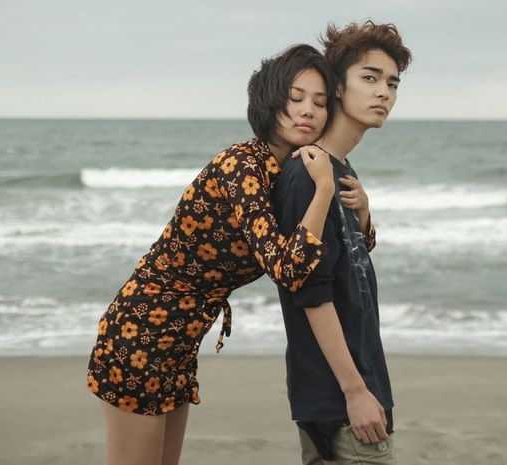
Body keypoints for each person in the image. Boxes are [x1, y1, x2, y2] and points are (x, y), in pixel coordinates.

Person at [86, 44, 338, 465]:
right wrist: (326, 189)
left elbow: (327, 253)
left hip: (178, 343)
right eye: (295, 99)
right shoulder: (243, 165)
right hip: (141, 334)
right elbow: (289, 269)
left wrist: (362, 215)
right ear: (270, 101)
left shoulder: (287, 174)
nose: (307, 111)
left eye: (319, 102)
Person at [272, 21, 412, 464]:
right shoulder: (307, 173)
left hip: (358, 390)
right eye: (369, 78)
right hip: (341, 402)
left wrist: (366, 215)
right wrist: (355, 392)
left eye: (391, 83)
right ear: (336, 87)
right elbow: (311, 293)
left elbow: (349, 267)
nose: (383, 92)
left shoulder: (341, 173)